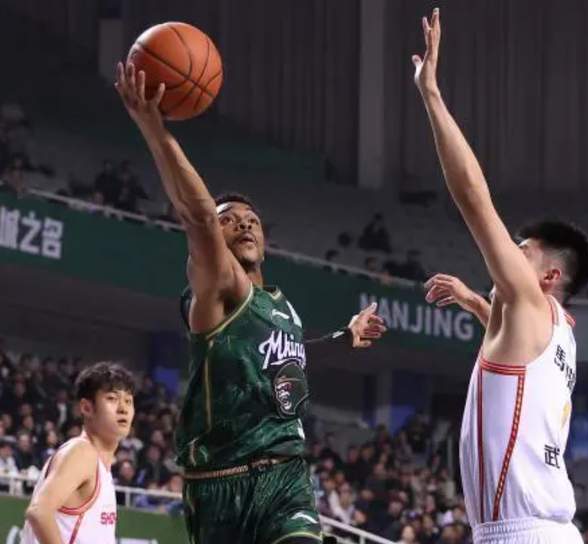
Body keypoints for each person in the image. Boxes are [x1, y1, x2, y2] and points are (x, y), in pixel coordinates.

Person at [115, 61, 387, 544]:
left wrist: (345, 337)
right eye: (230, 219)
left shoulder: (283, 307)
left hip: (286, 479)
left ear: (265, 240)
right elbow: (199, 216)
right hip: (219, 483)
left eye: (251, 220)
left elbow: (288, 360)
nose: (242, 223)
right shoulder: (219, 290)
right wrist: (155, 130)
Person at [414, 8, 588, 544]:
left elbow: (474, 197)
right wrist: (475, 302)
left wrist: (431, 95)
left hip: (518, 533)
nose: (511, 256)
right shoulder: (560, 332)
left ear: (549, 275)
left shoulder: (529, 304)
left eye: (523, 251)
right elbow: (516, 353)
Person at [22, 362, 135, 544]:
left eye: (128, 401)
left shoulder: (100, 464)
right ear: (86, 408)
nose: (123, 408)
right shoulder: (82, 452)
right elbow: (39, 512)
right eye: (112, 398)